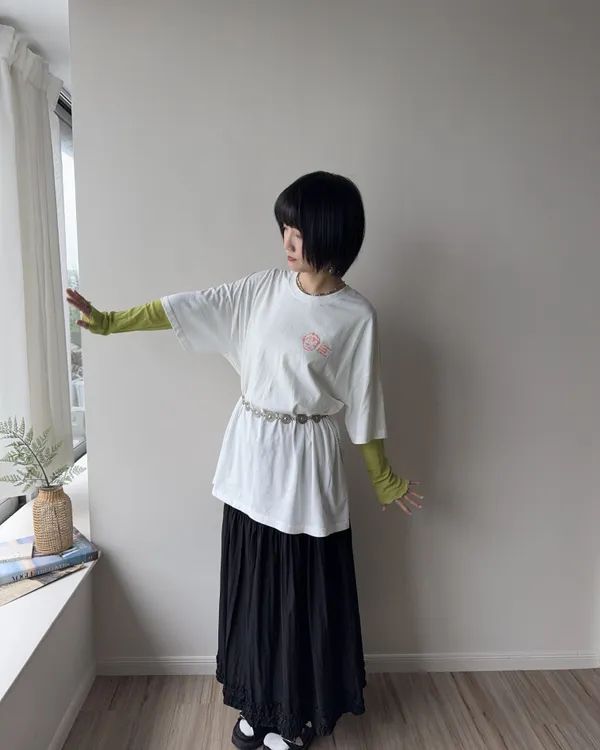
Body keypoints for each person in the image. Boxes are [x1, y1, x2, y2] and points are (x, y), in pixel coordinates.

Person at [67, 171, 423, 750]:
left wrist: (383, 477)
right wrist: (109, 322)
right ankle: (258, 703)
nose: (287, 240)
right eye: (284, 227)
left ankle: (294, 714)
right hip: (252, 456)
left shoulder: (357, 317)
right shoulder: (262, 290)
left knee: (299, 589)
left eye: (299, 230)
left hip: (305, 465)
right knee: (254, 583)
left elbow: (365, 400)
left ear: (332, 233)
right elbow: (188, 307)